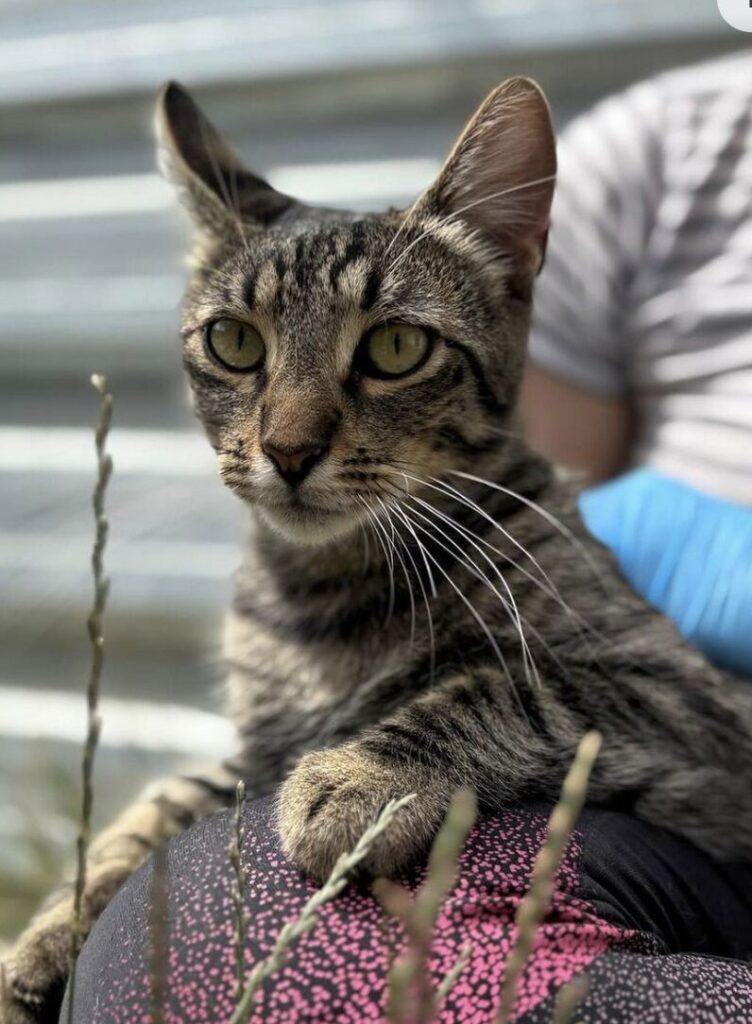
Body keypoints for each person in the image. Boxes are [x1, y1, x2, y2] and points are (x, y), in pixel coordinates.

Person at [63, 53, 752, 1023]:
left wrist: (427, 746)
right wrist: (132, 848)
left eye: (389, 349)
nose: (288, 437)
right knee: (176, 932)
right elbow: (281, 772)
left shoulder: (517, 556)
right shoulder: (671, 147)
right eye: (236, 349)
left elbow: (701, 724)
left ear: (505, 274)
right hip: (580, 877)